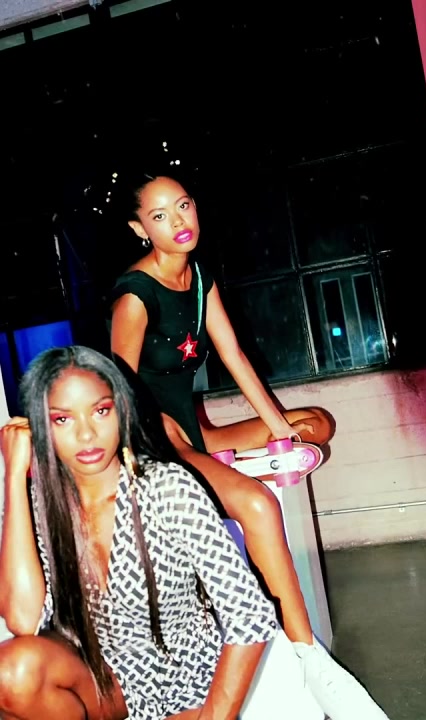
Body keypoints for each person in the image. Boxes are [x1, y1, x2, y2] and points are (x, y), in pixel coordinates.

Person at [108, 172, 385, 718]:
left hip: (194, 429)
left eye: (183, 205)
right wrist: (138, 463)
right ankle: (310, 658)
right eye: (160, 216)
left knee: (316, 424)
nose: (178, 221)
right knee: (258, 506)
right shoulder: (136, 296)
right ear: (141, 229)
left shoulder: (200, 278)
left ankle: (242, 461)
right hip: (157, 436)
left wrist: (278, 426)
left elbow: (233, 355)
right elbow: (118, 389)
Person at [0, 345, 278, 719]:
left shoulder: (167, 489)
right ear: (40, 427)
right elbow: (22, 620)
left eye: (101, 411)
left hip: (182, 677)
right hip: (102, 675)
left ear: (121, 409)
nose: (86, 434)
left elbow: (250, 615)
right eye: (62, 419)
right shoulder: (42, 503)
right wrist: (14, 477)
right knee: (11, 674)